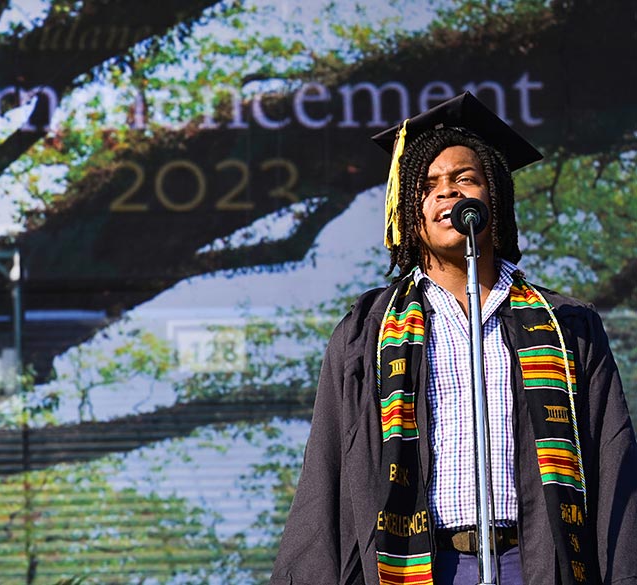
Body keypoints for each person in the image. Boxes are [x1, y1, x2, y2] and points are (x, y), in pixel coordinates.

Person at [268, 92, 637, 585]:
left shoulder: (566, 323)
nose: (448, 194)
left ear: (494, 198)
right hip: (423, 563)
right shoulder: (368, 330)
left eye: (466, 179)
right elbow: (326, 470)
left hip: (537, 563)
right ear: (410, 209)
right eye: (429, 186)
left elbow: (613, 459)